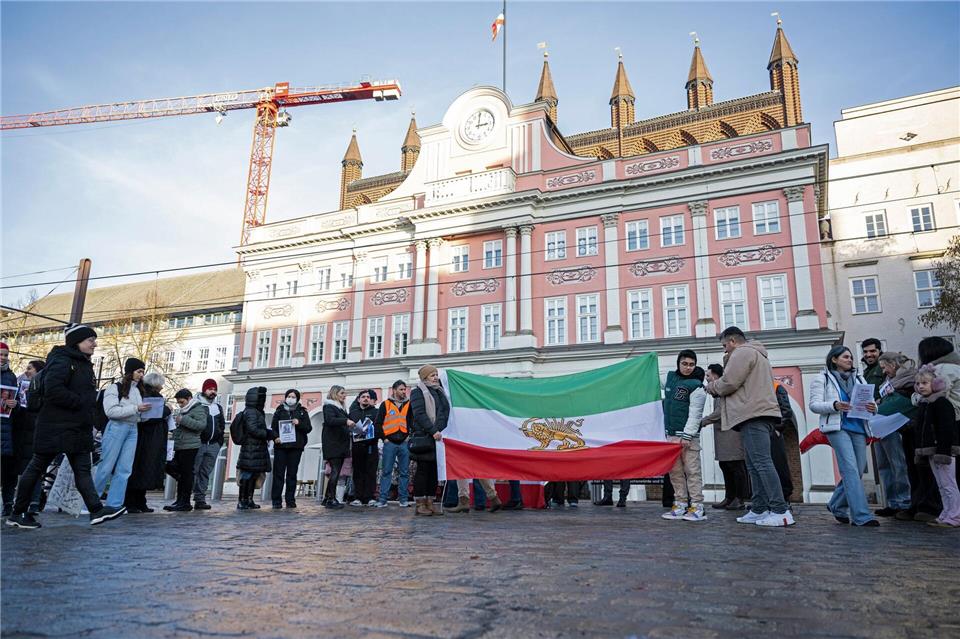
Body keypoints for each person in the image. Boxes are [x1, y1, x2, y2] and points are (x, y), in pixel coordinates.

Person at [6, 324, 124, 528]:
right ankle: (17, 513)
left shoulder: (82, 363)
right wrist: (81, 403)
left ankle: (96, 510)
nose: (94, 344)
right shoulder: (62, 360)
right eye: (90, 340)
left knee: (82, 469)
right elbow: (53, 390)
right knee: (37, 467)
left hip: (75, 427)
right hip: (56, 426)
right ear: (77, 342)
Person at [705, 327, 794, 527]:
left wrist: (711, 387)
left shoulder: (743, 352)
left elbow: (729, 382)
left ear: (733, 341)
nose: (725, 351)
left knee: (761, 463)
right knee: (754, 465)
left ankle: (780, 510)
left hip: (753, 413)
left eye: (724, 346)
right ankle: (759, 508)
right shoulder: (756, 354)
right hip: (754, 413)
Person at [809, 345, 878, 527]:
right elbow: (814, 405)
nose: (850, 360)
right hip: (837, 428)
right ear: (834, 359)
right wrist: (834, 405)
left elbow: (871, 403)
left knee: (858, 469)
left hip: (859, 427)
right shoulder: (822, 378)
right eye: (846, 357)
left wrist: (873, 407)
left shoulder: (860, 379)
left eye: (851, 358)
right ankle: (861, 516)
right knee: (849, 469)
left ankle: (836, 504)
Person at [94, 357, 149, 513]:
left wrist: (147, 412)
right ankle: (91, 503)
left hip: (133, 428)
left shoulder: (138, 390)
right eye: (139, 371)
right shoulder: (114, 388)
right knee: (106, 466)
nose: (141, 375)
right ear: (130, 371)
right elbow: (111, 412)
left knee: (125, 469)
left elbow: (137, 413)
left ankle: (115, 504)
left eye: (143, 372)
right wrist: (136, 408)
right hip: (116, 427)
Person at [661, 351, 708, 522]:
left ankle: (697, 506)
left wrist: (687, 436)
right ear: (678, 363)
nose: (688, 367)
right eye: (685, 363)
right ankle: (680, 504)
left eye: (691, 364)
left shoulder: (697, 386)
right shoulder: (670, 379)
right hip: (671, 436)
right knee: (675, 473)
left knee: (692, 471)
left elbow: (695, 414)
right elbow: (651, 378)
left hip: (688, 438)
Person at [913, 365, 960, 527]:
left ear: (936, 384)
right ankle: (947, 513)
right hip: (933, 450)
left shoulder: (941, 403)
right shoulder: (925, 404)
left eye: (924, 383)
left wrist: (944, 451)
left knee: (948, 484)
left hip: (942, 450)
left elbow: (947, 430)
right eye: (918, 384)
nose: (920, 387)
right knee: (941, 484)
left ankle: (955, 515)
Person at [873, 352, 916, 517]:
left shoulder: (908, 378)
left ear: (893, 364)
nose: (884, 371)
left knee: (898, 464)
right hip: (881, 426)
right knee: (884, 465)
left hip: (896, 426)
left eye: (884, 367)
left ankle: (904, 500)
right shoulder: (888, 382)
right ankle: (891, 501)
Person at [701, 363, 749, 510]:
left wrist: (703, 421)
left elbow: (721, 411)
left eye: (708, 376)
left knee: (736, 466)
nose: (707, 379)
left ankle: (739, 499)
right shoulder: (717, 391)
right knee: (725, 465)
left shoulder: (725, 389)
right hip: (723, 434)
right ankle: (729, 497)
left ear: (716, 376)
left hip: (732, 434)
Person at [124, 372, 169, 513]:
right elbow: (151, 415)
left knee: (145, 470)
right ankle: (132, 502)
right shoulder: (148, 396)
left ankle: (140, 501)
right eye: (161, 384)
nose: (162, 387)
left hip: (151, 438)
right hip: (147, 438)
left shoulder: (146, 394)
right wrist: (166, 410)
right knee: (141, 469)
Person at [409, 365, 448, 516]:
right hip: (425, 436)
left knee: (434, 471)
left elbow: (444, 412)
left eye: (436, 374)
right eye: (432, 375)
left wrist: (441, 429)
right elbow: (419, 414)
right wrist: (433, 430)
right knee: (423, 470)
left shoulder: (439, 391)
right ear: (424, 377)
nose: (436, 377)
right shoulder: (417, 392)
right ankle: (420, 503)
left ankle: (430, 502)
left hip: (439, 436)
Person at [9, 360, 45, 515]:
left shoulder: (43, 389)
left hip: (34, 434)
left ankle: (32, 502)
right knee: (28, 471)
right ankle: (29, 503)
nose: (27, 371)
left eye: (30, 368)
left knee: (32, 470)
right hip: (23, 434)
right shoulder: (21, 387)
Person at [164, 389, 209, 511]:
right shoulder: (185, 409)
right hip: (180, 445)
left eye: (182, 402)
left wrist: (183, 420)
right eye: (178, 402)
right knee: (177, 470)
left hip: (190, 446)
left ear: (189, 399)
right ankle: (180, 500)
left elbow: (201, 425)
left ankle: (184, 501)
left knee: (186, 473)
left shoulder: (198, 408)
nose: (180, 405)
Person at [270, 388, 312, 508]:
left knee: (292, 474)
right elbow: (273, 428)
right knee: (278, 474)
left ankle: (290, 500)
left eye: (293, 397)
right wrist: (275, 437)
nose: (290, 398)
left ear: (297, 399)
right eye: (289, 396)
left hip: (296, 447)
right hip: (281, 446)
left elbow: (308, 428)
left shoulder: (302, 412)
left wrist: (299, 423)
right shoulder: (279, 410)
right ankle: (276, 501)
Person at [373, 380, 412, 508]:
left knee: (404, 472)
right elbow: (378, 423)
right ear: (394, 390)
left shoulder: (408, 405)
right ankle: (382, 499)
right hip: (389, 442)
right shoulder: (386, 404)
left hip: (403, 442)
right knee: (386, 471)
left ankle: (403, 499)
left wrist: (408, 437)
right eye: (401, 389)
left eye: (404, 389)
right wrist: (384, 438)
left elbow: (412, 422)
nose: (403, 392)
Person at [235, 386, 272, 510]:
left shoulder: (256, 411)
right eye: (261, 398)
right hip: (250, 448)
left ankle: (249, 500)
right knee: (247, 475)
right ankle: (242, 500)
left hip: (256, 448)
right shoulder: (251, 412)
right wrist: (267, 434)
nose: (263, 400)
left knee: (254, 475)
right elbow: (252, 429)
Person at [193, 378, 225, 510]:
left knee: (205, 472)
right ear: (204, 390)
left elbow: (221, 425)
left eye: (215, 389)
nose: (213, 392)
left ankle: (200, 499)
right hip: (199, 443)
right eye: (210, 389)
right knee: (194, 470)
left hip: (213, 445)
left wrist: (218, 442)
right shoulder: (196, 404)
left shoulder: (217, 407)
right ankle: (186, 496)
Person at [321, 385, 353, 509]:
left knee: (336, 471)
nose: (344, 395)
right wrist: (345, 421)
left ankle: (327, 497)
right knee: (335, 471)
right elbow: (330, 420)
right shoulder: (329, 406)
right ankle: (331, 499)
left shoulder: (341, 408)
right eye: (342, 393)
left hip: (340, 443)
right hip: (333, 444)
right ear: (335, 394)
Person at [348, 389, 380, 506]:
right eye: (363, 397)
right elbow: (349, 428)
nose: (365, 398)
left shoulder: (376, 412)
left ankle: (370, 497)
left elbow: (379, 427)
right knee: (358, 472)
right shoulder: (353, 413)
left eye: (367, 396)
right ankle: (358, 497)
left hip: (371, 446)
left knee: (371, 472)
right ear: (358, 399)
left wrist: (373, 436)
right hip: (357, 446)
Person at [0, 342, 19, 516]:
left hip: (6, 429)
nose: (4, 358)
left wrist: (15, 404)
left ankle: (8, 504)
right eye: (1, 354)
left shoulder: (11, 376)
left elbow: (18, 399)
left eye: (6, 355)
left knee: (7, 471)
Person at [772, 381, 796, 503]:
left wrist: (778, 428)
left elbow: (786, 410)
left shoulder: (776, 386)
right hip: (764, 431)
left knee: (778, 464)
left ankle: (784, 496)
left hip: (773, 431)